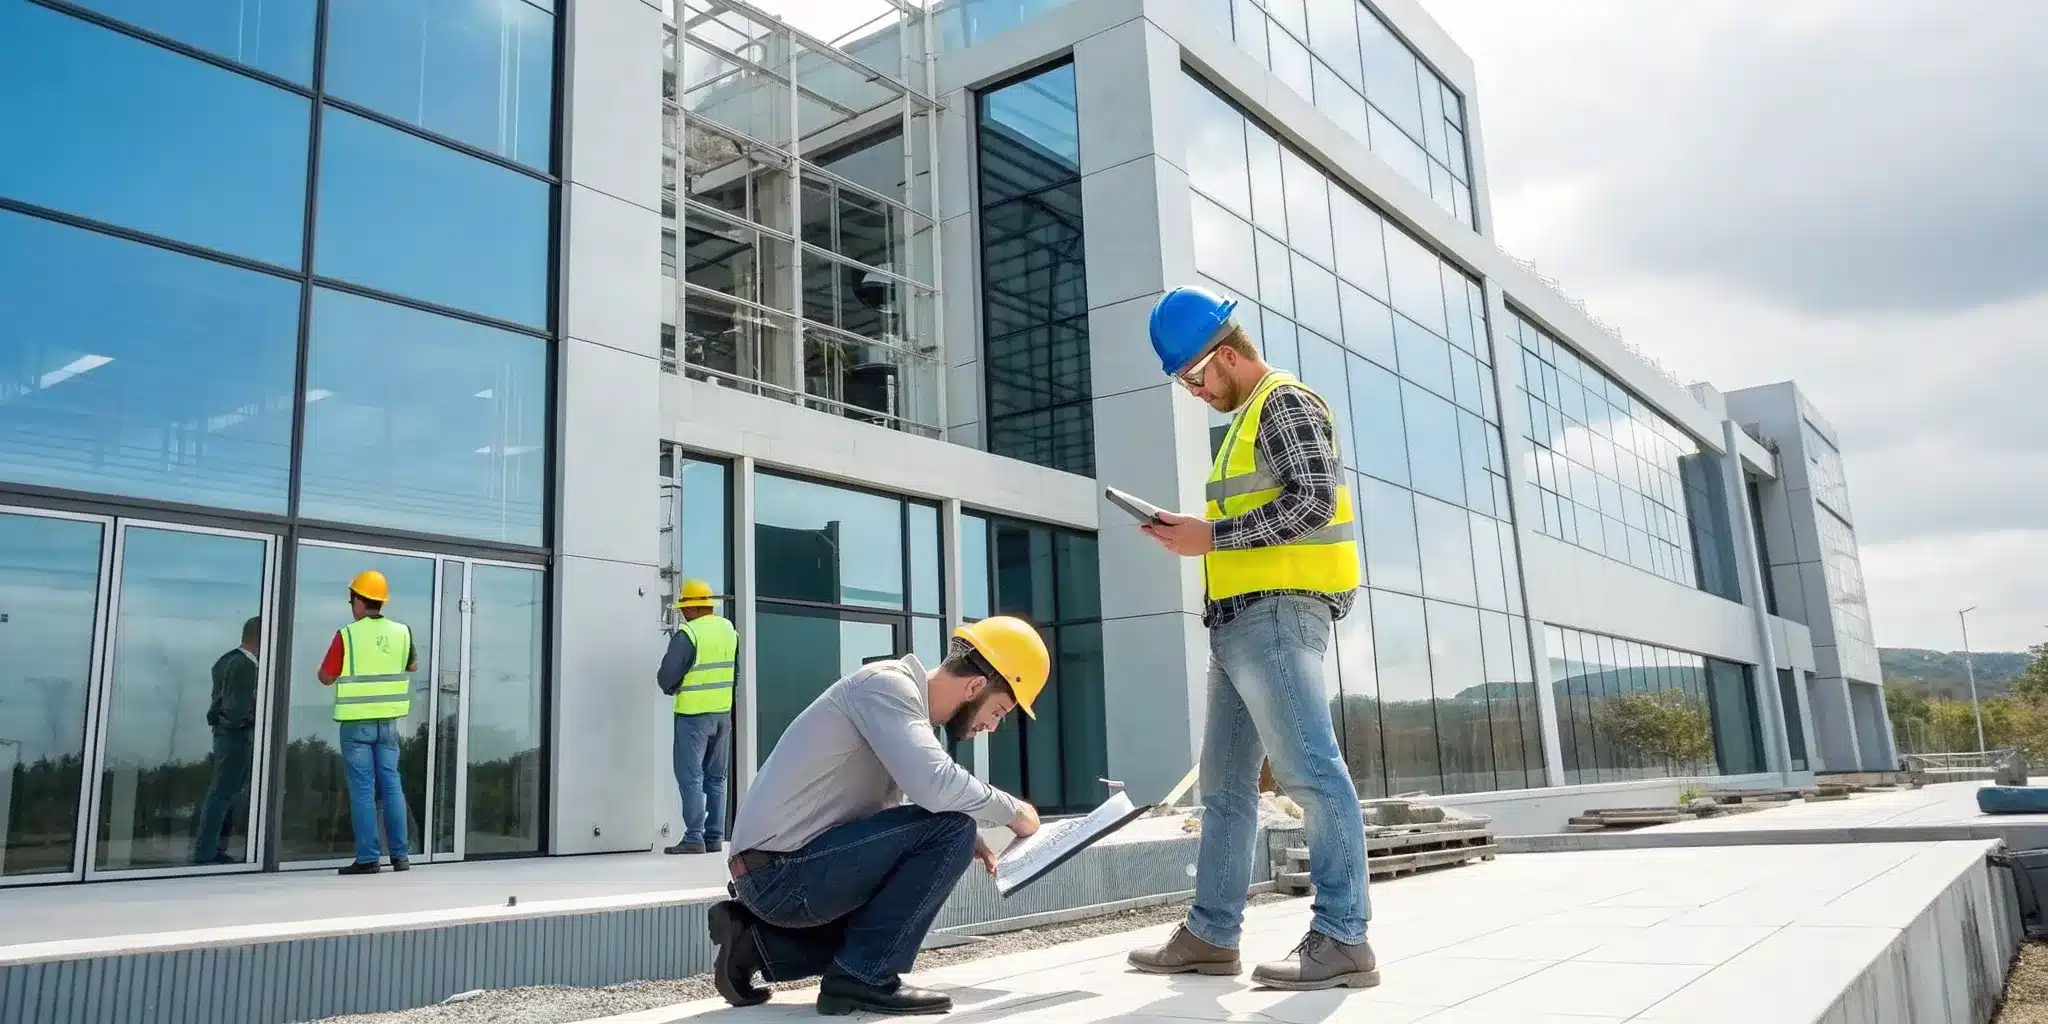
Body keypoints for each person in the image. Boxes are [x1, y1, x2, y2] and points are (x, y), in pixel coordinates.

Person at [1124, 286, 1378, 990]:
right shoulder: (1243, 421)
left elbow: (1313, 499)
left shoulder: (1284, 401)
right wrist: (1201, 538)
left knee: (1312, 774)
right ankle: (1211, 934)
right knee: (1227, 790)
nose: (1194, 391)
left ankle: (1343, 935)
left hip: (1277, 613)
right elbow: (1260, 511)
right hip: (1236, 623)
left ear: (1226, 356)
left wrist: (1208, 536)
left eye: (1194, 377)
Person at [707, 617, 1048, 1016]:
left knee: (935, 850)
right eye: (999, 711)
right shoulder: (887, 687)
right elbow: (934, 783)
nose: (992, 726)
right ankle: (861, 978)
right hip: (780, 874)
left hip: (778, 871)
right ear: (975, 687)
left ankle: (757, 945)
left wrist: (947, 837)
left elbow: (899, 815)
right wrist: (1014, 813)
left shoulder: (901, 707)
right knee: (952, 829)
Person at [317, 569, 417, 876]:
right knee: (391, 785)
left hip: (356, 725)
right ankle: (400, 857)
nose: (351, 606)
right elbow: (411, 665)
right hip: (388, 723)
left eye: (352, 600)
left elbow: (325, 677)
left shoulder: (347, 634)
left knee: (363, 789)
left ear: (361, 601)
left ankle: (368, 858)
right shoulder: (403, 632)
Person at [656, 579, 738, 855]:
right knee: (717, 778)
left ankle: (694, 838)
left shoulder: (688, 633)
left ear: (690, 609)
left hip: (693, 716)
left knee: (690, 777)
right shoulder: (729, 630)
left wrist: (672, 687)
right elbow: (733, 672)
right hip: (722, 715)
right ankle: (715, 837)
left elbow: (667, 676)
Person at [192, 616, 261, 865]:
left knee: (224, 793)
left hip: (224, 735)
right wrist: (251, 722)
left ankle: (213, 849)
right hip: (235, 736)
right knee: (223, 793)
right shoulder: (245, 666)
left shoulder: (225, 661)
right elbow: (236, 708)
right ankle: (207, 852)